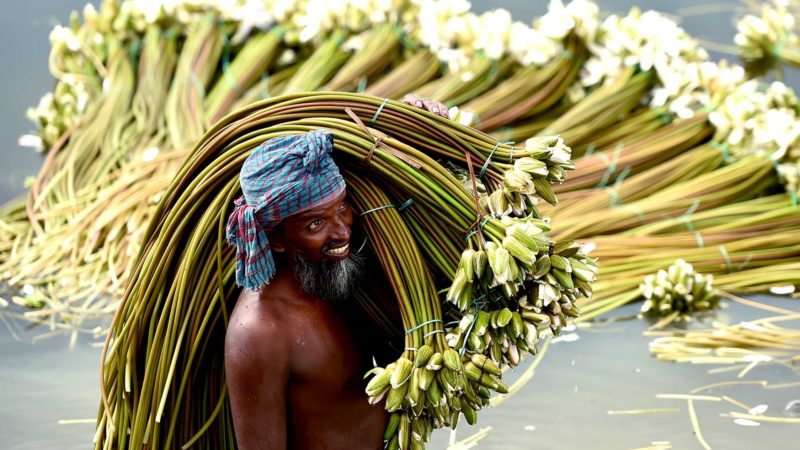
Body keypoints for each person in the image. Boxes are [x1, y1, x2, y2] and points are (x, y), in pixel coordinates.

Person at [224, 96, 447, 450]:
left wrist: (424, 132)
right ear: (277, 239)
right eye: (316, 223)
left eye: (342, 208)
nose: (342, 232)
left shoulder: (339, 277)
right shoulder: (260, 333)